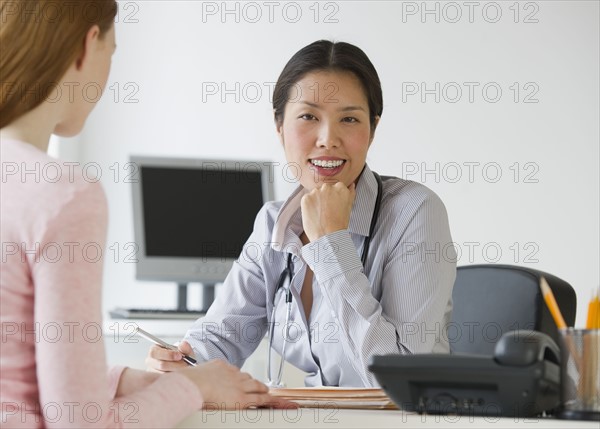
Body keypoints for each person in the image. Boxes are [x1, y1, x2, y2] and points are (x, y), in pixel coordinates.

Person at [0, 1, 290, 427]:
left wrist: (122, 379)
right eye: (112, 52)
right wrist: (196, 387)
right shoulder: (62, 193)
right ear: (88, 44)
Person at [147, 40, 457, 387]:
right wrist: (182, 362)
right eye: (309, 116)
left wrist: (331, 244)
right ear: (279, 126)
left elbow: (401, 379)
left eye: (350, 119)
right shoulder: (273, 225)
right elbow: (220, 338)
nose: (328, 138)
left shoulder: (414, 212)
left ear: (372, 129)